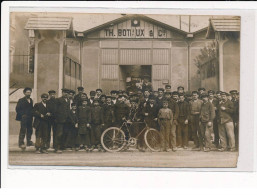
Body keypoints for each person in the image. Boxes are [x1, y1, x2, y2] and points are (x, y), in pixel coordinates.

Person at [54, 88, 70, 153]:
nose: (66, 94)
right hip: (60, 120)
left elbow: (68, 111)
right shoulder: (58, 100)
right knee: (59, 134)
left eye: (67, 93)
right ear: (62, 93)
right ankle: (57, 148)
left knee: (64, 134)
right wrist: (57, 119)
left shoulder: (68, 100)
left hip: (66, 120)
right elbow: (55, 110)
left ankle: (62, 147)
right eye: (64, 92)